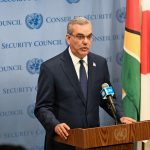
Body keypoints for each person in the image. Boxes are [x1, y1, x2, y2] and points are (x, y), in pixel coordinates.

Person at [34, 17, 136, 150]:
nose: (86, 42)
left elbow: (107, 97)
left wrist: (120, 116)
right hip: (64, 142)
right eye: (80, 37)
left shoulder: (100, 64)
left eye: (89, 37)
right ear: (68, 38)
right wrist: (55, 125)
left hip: (93, 141)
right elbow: (42, 107)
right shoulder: (51, 68)